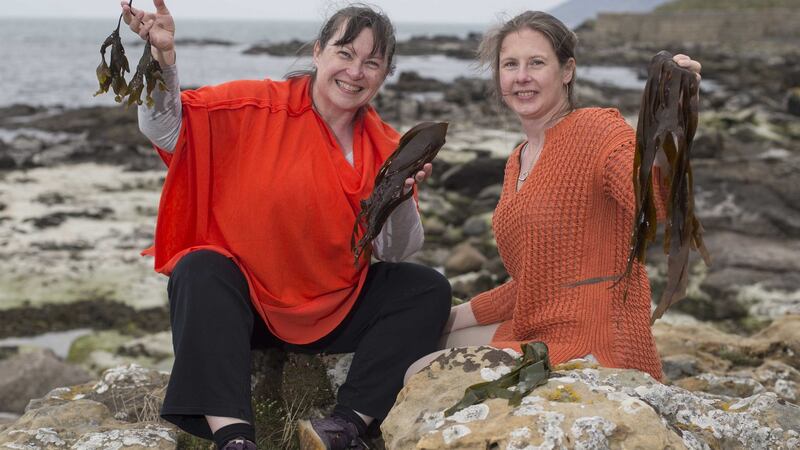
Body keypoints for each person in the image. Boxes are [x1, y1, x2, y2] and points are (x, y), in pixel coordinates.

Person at [121, 1, 452, 449]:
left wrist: (400, 193)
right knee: (198, 269)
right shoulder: (255, 105)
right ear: (318, 52)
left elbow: (395, 252)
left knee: (426, 288)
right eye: (345, 53)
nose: (355, 72)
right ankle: (235, 438)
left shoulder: (386, 147)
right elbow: (163, 128)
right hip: (247, 309)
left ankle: (344, 426)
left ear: (385, 74)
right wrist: (163, 57)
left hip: (333, 307)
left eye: (372, 63)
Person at [405, 11, 702, 385]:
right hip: (539, 331)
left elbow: (652, 202)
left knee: (421, 375)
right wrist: (441, 316)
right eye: (510, 64)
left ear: (567, 71)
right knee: (415, 343)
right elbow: (533, 281)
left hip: (595, 346)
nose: (522, 76)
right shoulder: (517, 159)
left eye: (537, 63)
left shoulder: (597, 130)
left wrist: (671, 126)